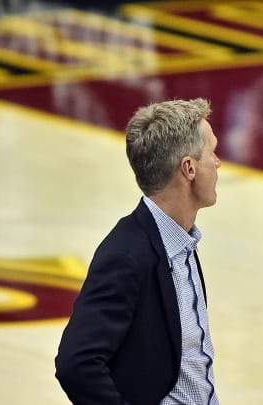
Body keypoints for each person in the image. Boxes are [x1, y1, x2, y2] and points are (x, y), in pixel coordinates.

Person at [55, 98, 222, 404]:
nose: (217, 162)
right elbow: (75, 364)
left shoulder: (180, 242)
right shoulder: (125, 256)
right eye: (211, 151)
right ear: (189, 168)